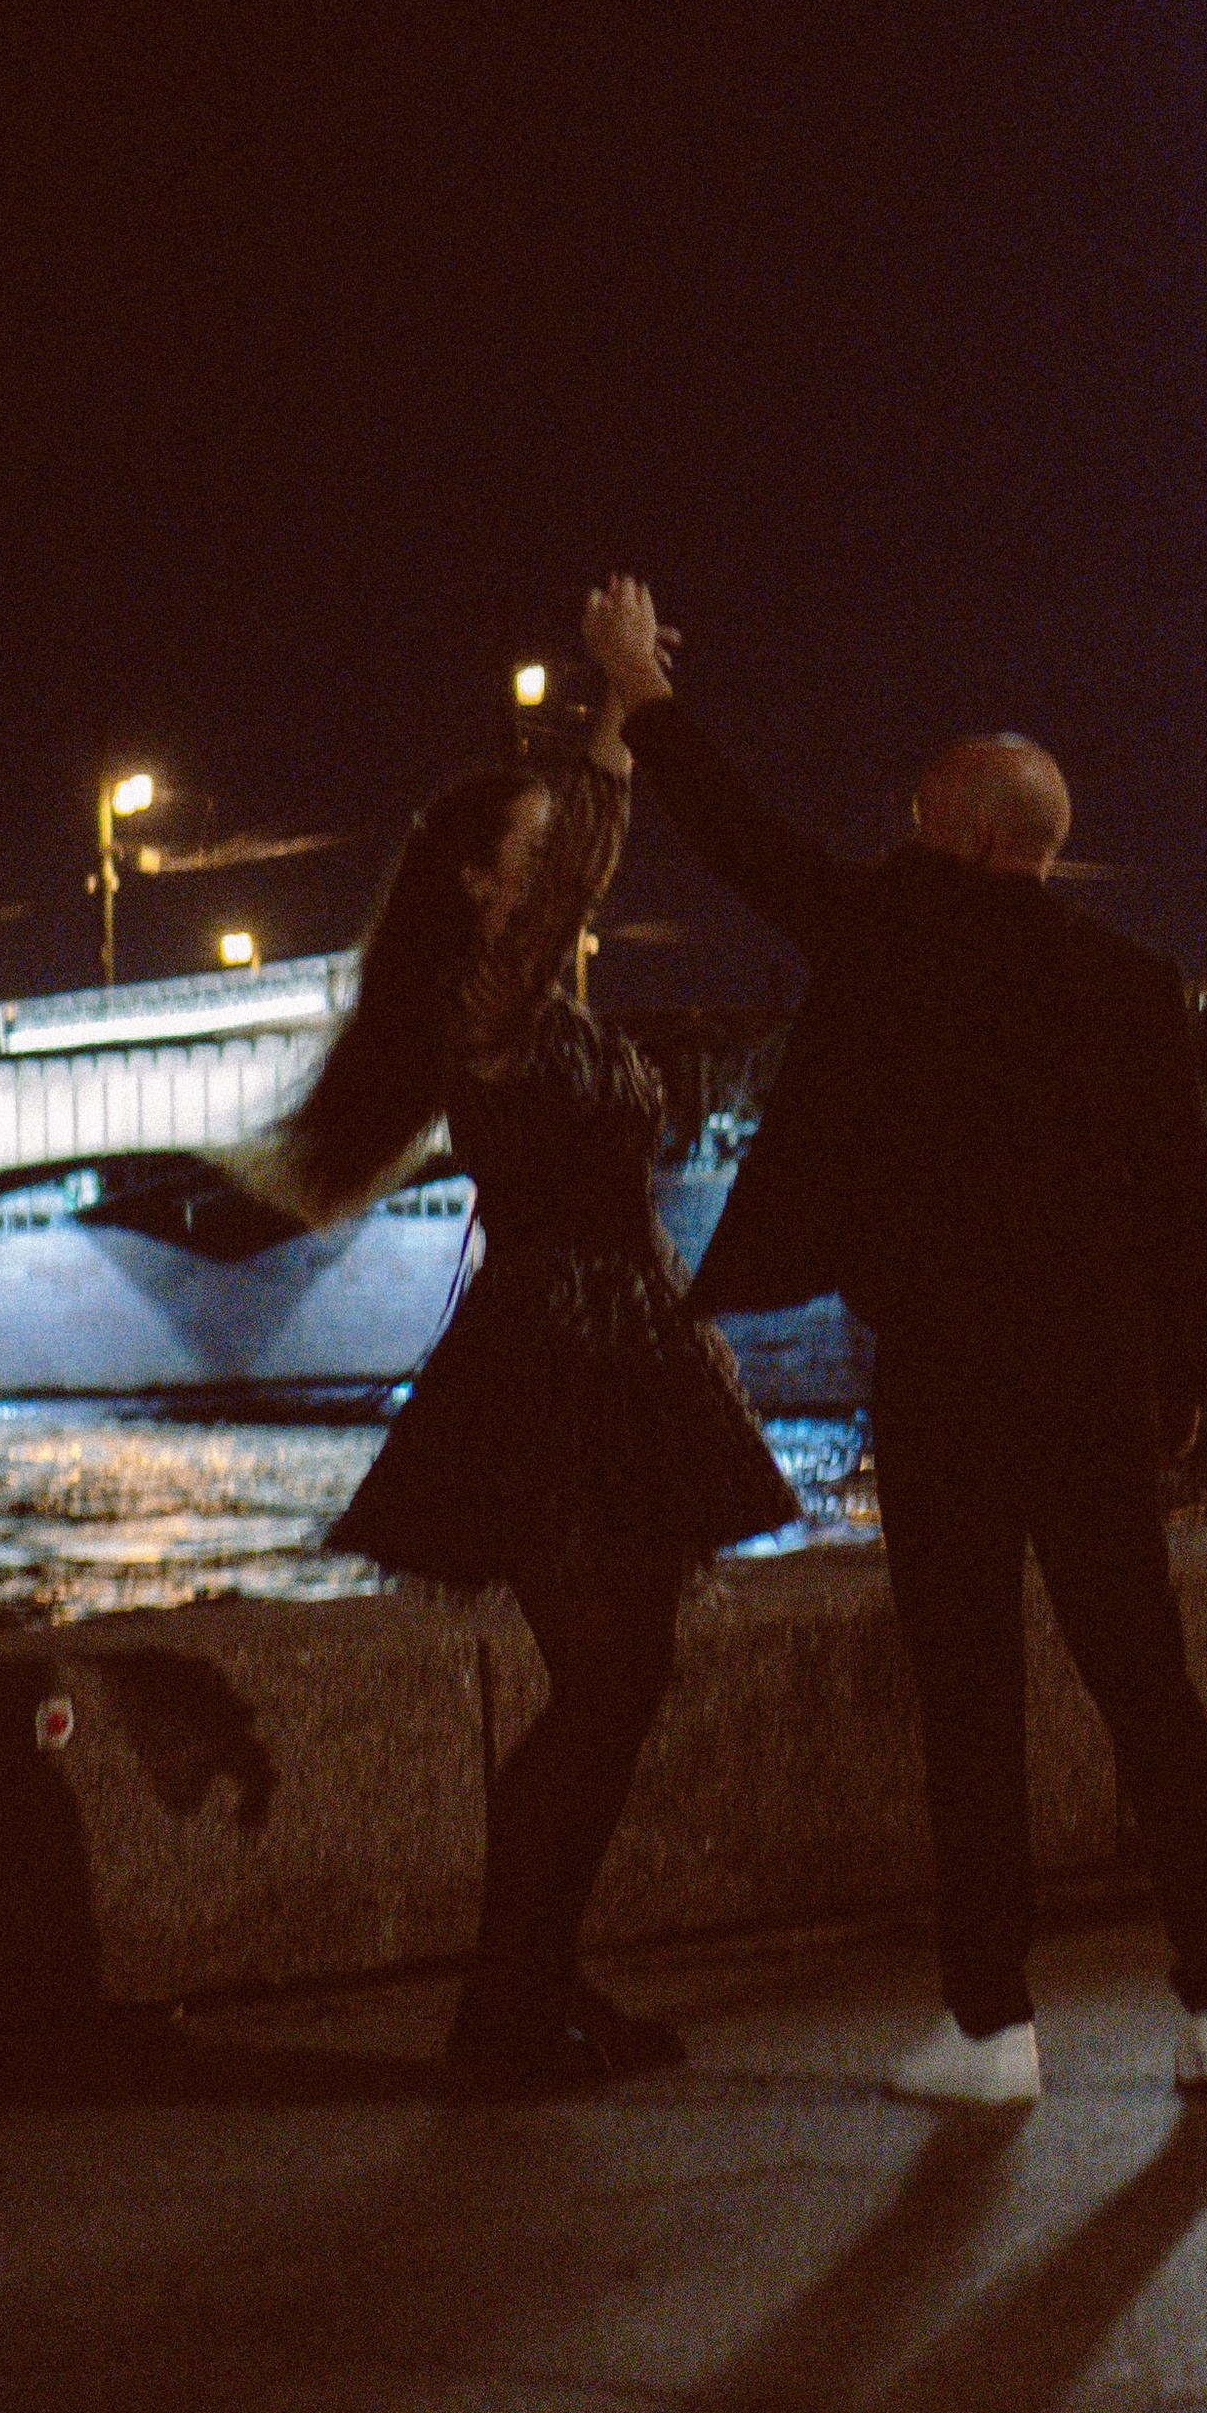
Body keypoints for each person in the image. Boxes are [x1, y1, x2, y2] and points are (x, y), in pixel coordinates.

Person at [580, 574, 1207, 2107]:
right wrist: (1182, 1387)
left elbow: (747, 844)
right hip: (1098, 1383)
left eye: (912, 816)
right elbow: (1181, 1202)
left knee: (972, 1698)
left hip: (951, 1379)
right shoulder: (1133, 985)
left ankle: (993, 2028)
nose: (896, 836)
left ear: (959, 835)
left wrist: (638, 689)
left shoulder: (895, 930)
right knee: (1148, 1685)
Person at [269, 606, 796, 2093]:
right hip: (554, 1375)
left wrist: (697, 1345)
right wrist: (621, 704)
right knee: (610, 1682)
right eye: (536, 838)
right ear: (481, 878)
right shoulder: (482, 1001)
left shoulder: (535, 1003)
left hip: (618, 1351)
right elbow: (586, 863)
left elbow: (619, 1192)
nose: (561, 852)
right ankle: (505, 2007)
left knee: (623, 1684)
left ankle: (538, 1989)